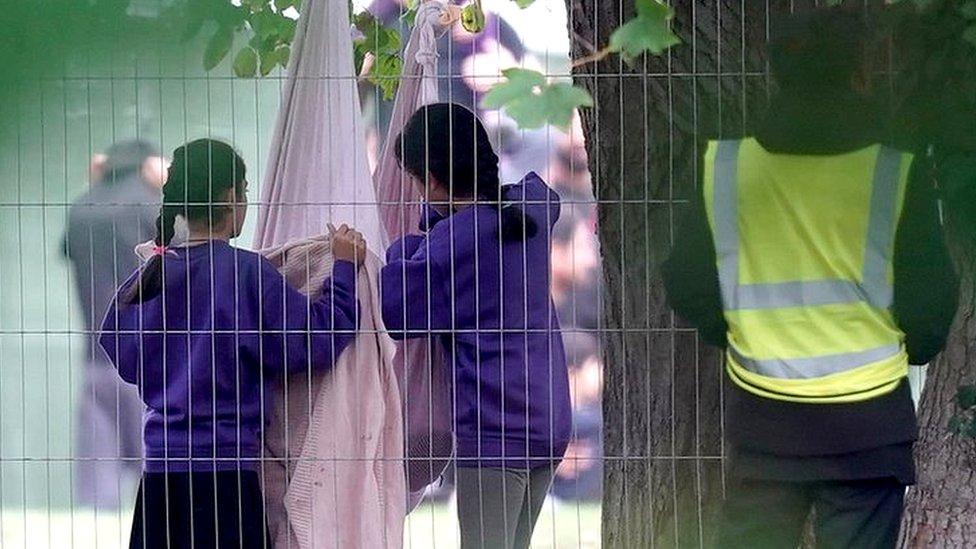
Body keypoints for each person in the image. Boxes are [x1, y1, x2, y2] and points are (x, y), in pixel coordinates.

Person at [662, 9, 958, 548]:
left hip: (765, 422)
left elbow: (687, 283)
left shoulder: (726, 169)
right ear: (859, 74)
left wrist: (743, 338)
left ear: (775, 73)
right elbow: (931, 303)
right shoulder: (895, 173)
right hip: (871, 424)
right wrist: (907, 347)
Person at [98, 138, 367, 549]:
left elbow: (117, 344)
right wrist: (344, 268)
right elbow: (317, 338)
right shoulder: (246, 274)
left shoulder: (149, 277)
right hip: (227, 481)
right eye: (244, 191)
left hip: (159, 481)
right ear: (230, 197)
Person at [381, 103, 571, 549]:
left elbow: (396, 309)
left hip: (495, 428)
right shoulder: (530, 210)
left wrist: (409, 242)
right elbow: (542, 196)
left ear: (429, 180)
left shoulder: (452, 245)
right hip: (549, 420)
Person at [64, 139, 163, 510]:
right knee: (155, 476)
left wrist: (93, 185)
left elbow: (67, 249)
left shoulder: (81, 207)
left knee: (97, 490)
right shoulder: (149, 204)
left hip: (96, 359)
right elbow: (187, 247)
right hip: (145, 362)